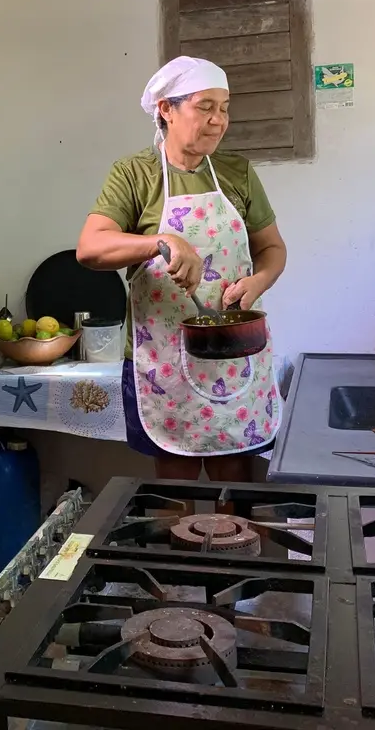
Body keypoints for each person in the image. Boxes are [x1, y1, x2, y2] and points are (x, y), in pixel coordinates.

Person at [76, 56, 288, 484]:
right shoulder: (135, 175)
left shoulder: (237, 173)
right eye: (205, 106)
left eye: (225, 107)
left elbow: (272, 248)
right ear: (166, 110)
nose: (219, 120)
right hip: (164, 362)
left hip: (237, 355)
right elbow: (90, 247)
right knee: (177, 498)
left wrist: (259, 280)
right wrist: (162, 241)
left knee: (241, 488)